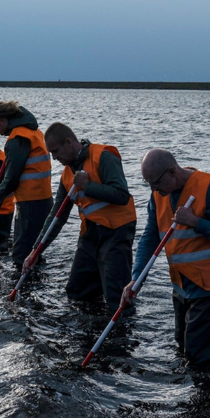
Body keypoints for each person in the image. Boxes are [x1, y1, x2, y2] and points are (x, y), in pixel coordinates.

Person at [121, 148, 210, 369]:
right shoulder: (159, 195)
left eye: (155, 183)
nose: (153, 189)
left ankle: (208, 389)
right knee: (182, 347)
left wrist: (196, 222)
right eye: (148, 184)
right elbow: (151, 236)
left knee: (197, 358)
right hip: (181, 286)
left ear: (172, 171)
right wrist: (137, 278)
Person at [26, 123, 136, 306]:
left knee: (116, 297)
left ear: (68, 142)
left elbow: (122, 195)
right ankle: (90, 322)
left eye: (55, 151)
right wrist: (36, 250)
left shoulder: (103, 156)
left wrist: (88, 186)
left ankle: (120, 322)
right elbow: (57, 216)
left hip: (116, 232)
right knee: (77, 291)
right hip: (89, 234)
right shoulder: (67, 175)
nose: (54, 158)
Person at [0, 101, 53, 266]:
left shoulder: (17, 139)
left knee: (21, 253)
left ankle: (22, 280)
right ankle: (36, 279)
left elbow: (11, 178)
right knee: (34, 250)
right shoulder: (34, 131)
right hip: (43, 198)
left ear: (2, 120)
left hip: (30, 202)